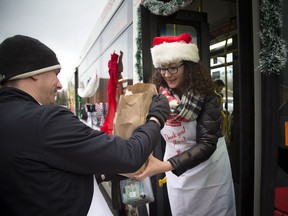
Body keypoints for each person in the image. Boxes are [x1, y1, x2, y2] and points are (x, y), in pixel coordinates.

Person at [0, 35, 170, 216]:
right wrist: (156, 118)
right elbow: (130, 154)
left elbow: (39, 172)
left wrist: (105, 171)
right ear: (33, 72)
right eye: (56, 74)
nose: (59, 84)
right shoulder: (44, 120)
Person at [134, 33, 236, 215]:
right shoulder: (159, 96)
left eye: (173, 68)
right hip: (179, 173)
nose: (167, 74)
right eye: (162, 69)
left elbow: (207, 144)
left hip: (210, 171)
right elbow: (151, 125)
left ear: (188, 66)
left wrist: (164, 166)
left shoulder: (207, 96)